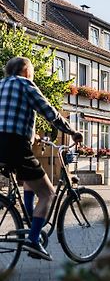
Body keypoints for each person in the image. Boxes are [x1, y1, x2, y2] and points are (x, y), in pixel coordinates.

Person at [0, 57, 82, 261]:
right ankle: (34, 240)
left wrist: (33, 135)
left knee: (29, 183)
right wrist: (72, 132)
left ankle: (29, 224)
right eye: (33, 71)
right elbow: (50, 114)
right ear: (26, 70)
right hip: (15, 145)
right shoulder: (26, 84)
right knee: (47, 193)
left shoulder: (0, 85)